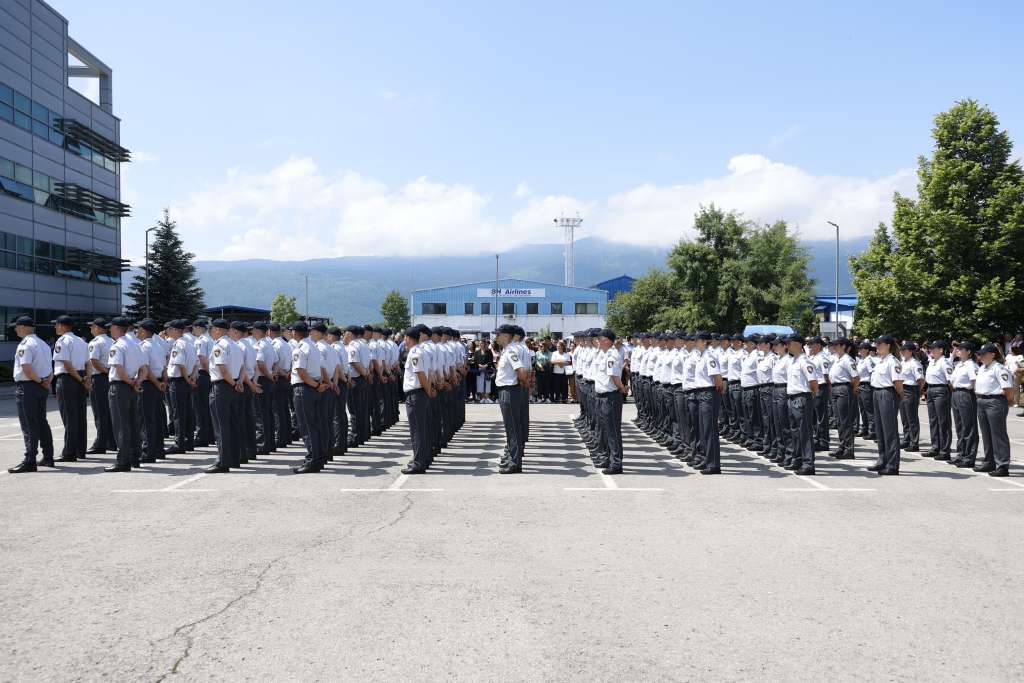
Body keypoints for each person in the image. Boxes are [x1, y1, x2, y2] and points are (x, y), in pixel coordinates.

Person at [7, 316, 54, 473]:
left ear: (23, 327)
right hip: (41, 386)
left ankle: (30, 460)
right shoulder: (43, 344)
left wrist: (40, 380)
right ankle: (48, 456)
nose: (15, 329)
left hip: (28, 387)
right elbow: (50, 367)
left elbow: (26, 368)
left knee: (29, 424)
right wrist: (46, 381)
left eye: (16, 327)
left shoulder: (25, 345)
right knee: (41, 422)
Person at [105, 317, 142, 472]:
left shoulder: (118, 345)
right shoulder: (135, 344)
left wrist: (130, 382)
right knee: (133, 423)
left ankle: (123, 461)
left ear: (117, 328)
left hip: (121, 386)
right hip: (132, 385)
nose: (109, 330)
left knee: (121, 425)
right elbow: (143, 367)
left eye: (111, 328)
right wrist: (136, 382)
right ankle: (134, 457)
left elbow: (119, 369)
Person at [206, 318, 243, 473]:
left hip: (223, 386)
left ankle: (223, 461)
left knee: (221, 426)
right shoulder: (235, 345)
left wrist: (233, 384)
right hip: (234, 385)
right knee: (233, 424)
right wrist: (238, 383)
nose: (210, 331)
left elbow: (222, 368)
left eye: (212, 329)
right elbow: (242, 368)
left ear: (218, 330)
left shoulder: (220, 345)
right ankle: (234, 458)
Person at [51, 314, 89, 462]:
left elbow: (66, 363)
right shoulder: (81, 341)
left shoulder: (63, 341)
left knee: (69, 416)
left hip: (68, 378)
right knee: (80, 416)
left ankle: (69, 452)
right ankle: (81, 450)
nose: (55, 327)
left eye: (56, 325)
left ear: (62, 326)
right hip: (80, 376)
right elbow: (88, 363)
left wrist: (80, 379)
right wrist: (86, 378)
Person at [973, 342, 1013, 476]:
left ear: (992, 354)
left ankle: (1002, 465)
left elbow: (1008, 389)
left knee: (998, 434)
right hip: (982, 401)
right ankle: (989, 461)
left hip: (995, 401)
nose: (980, 356)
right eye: (979, 354)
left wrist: (1003, 401)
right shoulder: (982, 367)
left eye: (983, 354)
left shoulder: (999, 368)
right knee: (986, 434)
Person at [291, 321, 326, 473]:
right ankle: (317, 457)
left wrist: (316, 385)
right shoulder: (313, 346)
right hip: (313, 388)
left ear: (294, 333)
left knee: (307, 426)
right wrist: (317, 385)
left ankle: (313, 460)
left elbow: (301, 372)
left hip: (305, 389)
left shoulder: (300, 348)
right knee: (315, 425)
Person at [494, 324, 528, 473]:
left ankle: (514, 462)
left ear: (507, 336)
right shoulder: (508, 350)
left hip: (509, 390)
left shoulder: (511, 350)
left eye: (498, 334)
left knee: (512, 428)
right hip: (508, 390)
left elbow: (521, 371)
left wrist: (520, 382)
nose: (496, 337)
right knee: (511, 428)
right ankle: (512, 458)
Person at [593, 329, 628, 474]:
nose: (597, 341)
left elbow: (614, 377)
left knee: (613, 431)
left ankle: (616, 463)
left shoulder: (612, 356)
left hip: (610, 397)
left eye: (600, 339)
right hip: (602, 396)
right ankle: (609, 458)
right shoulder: (604, 354)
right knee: (607, 430)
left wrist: (622, 389)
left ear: (607, 340)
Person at [869, 335, 904, 475]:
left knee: (889, 431)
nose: (877, 347)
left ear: (888, 345)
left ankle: (892, 464)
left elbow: (897, 382)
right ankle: (882, 459)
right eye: (876, 344)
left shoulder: (892, 361)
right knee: (880, 430)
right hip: (877, 393)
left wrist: (899, 395)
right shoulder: (881, 361)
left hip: (887, 393)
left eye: (879, 344)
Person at [401, 326, 434, 474]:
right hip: (420, 393)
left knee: (417, 430)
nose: (404, 340)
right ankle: (423, 459)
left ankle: (418, 462)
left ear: (408, 338)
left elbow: (420, 374)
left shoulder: (415, 352)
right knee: (422, 428)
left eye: (405, 338)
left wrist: (428, 390)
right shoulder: (422, 351)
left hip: (416, 394)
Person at [692, 331, 724, 474]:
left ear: (704, 342)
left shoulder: (709, 356)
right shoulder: (702, 356)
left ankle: (713, 465)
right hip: (701, 393)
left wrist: (714, 393)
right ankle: (707, 459)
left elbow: (717, 378)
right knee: (703, 429)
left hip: (708, 393)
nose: (695, 342)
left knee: (709, 430)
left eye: (697, 340)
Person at [785, 335, 818, 474]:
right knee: (795, 431)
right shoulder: (793, 361)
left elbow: (813, 383)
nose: (787, 346)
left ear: (798, 344)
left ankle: (808, 463)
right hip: (792, 398)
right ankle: (797, 459)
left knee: (805, 432)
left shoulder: (805, 361)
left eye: (789, 343)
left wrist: (808, 396)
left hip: (802, 397)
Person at [137, 320, 168, 463]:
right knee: (157, 418)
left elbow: (145, 368)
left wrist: (156, 383)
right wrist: (163, 383)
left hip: (149, 383)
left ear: (143, 331)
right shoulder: (159, 345)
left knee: (146, 419)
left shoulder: (144, 346)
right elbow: (164, 367)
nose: (137, 332)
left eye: (138, 329)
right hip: (158, 382)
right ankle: (159, 450)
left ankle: (148, 452)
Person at [165, 320, 197, 455]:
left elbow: (180, 364)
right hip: (188, 380)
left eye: (170, 329)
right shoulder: (189, 344)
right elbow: (196, 364)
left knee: (178, 413)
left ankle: (180, 443)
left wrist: (186, 379)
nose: (168, 331)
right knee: (188, 412)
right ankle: (189, 441)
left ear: (175, 330)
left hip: (179, 381)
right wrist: (192, 378)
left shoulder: (178, 344)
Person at [85, 318, 116, 454]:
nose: (91, 329)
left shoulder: (95, 342)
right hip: (110, 378)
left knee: (99, 412)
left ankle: (101, 443)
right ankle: (111, 441)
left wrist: (106, 372)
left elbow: (94, 361)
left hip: (100, 378)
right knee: (109, 411)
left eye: (92, 327)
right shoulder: (112, 341)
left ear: (98, 328)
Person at [949, 341, 980, 468]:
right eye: (957, 349)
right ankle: (961, 454)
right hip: (956, 394)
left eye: (961, 349)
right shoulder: (959, 364)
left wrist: (969, 390)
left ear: (969, 352)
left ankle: (969, 457)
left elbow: (975, 381)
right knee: (960, 426)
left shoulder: (971, 365)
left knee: (969, 427)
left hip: (966, 394)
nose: (958, 350)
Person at [922, 340, 954, 461]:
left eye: (933, 348)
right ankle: (935, 447)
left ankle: (944, 450)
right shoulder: (932, 362)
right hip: (930, 389)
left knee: (943, 421)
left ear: (941, 350)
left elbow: (950, 381)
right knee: (933, 420)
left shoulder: (944, 362)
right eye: (930, 348)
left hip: (941, 390)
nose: (931, 350)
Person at [827, 338, 858, 460]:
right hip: (835, 388)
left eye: (837, 345)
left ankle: (849, 449)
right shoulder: (837, 359)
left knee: (845, 421)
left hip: (844, 388)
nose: (834, 347)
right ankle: (842, 446)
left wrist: (853, 390)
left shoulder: (848, 359)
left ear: (844, 346)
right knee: (839, 420)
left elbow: (856, 377)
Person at [252, 321, 277, 456]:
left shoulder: (260, 345)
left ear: (257, 331)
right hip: (268, 380)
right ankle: (270, 443)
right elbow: (275, 362)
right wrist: (272, 374)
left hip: (262, 379)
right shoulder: (269, 344)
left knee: (260, 413)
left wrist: (269, 376)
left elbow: (260, 364)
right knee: (268, 413)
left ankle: (262, 444)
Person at [190, 319, 215, 447]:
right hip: (209, 375)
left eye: (194, 327)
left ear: (199, 328)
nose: (192, 330)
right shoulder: (210, 339)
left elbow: (202, 359)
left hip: (203, 374)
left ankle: (202, 436)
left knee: (200, 407)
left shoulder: (201, 340)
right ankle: (210, 435)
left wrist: (208, 372)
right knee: (207, 407)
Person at [898, 341, 925, 451]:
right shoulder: (903, 362)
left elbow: (921, 379)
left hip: (911, 389)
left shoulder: (915, 363)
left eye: (904, 350)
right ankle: (906, 439)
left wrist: (917, 391)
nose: (902, 352)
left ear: (910, 351)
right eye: (902, 350)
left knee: (912, 418)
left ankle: (914, 443)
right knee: (904, 417)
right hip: (903, 389)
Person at [856, 342, 876, 440]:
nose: (859, 350)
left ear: (867, 350)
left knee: (869, 410)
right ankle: (865, 428)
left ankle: (873, 431)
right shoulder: (861, 360)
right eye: (859, 349)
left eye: (861, 349)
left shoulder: (869, 360)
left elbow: (872, 372)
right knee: (863, 409)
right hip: (860, 385)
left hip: (867, 385)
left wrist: (872, 385)